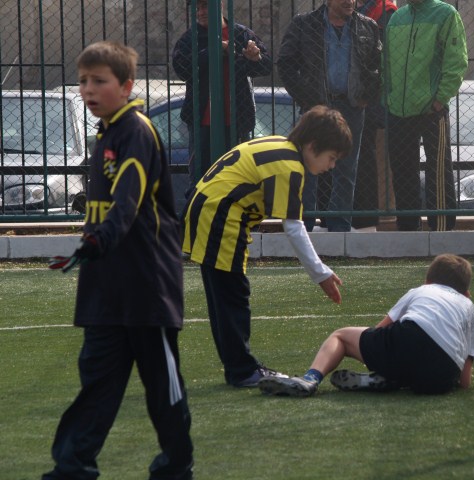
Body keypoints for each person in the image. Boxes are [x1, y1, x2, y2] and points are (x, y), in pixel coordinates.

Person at [43, 41, 193, 480]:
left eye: (99, 81)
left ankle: (176, 465)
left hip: (147, 285)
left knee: (162, 388)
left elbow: (128, 202)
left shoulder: (136, 132)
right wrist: (94, 245)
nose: (88, 89)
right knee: (97, 384)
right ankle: (72, 467)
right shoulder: (105, 134)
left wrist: (98, 240)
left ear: (126, 86)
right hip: (105, 284)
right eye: (83, 81)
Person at [182, 105, 351, 388]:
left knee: (222, 295)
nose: (331, 166)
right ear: (313, 146)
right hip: (220, 215)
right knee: (232, 295)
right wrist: (320, 273)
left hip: (205, 208)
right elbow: (293, 227)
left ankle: (238, 366)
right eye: (331, 158)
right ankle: (242, 370)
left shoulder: (279, 145)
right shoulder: (290, 166)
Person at [258, 253, 474, 397]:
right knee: (417, 368)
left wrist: (375, 357)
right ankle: (391, 379)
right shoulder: (469, 307)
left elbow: (380, 330)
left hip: (408, 339)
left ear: (428, 281)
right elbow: (465, 381)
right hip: (441, 376)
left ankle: (310, 379)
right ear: (466, 293)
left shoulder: (421, 291)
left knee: (341, 336)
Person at [277, 0, 382, 232]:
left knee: (347, 170)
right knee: (307, 166)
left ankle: (340, 226)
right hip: (316, 106)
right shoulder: (305, 24)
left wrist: (366, 95)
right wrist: (306, 97)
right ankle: (304, 225)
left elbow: (377, 65)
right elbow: (285, 63)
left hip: (352, 106)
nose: (350, 1)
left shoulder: (367, 26)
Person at [384, 0, 468, 231]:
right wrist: (388, 96)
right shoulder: (397, 17)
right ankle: (408, 227)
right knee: (402, 170)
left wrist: (440, 99)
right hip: (398, 109)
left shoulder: (446, 14)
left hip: (432, 110)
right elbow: (386, 62)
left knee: (438, 169)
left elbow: (456, 61)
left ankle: (441, 227)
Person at [172, 0, 272, 191]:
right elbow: (181, 68)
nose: (200, 12)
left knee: (238, 179)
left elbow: (266, 65)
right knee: (201, 180)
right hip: (202, 122)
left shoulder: (241, 34)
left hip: (237, 120)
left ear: (221, 5)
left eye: (205, 6)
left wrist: (255, 57)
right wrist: (214, 50)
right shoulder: (190, 38)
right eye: (197, 8)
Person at [351, 0, 397, 230]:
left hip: (373, 98)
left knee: (368, 158)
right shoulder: (356, 11)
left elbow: (382, 59)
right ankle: (356, 215)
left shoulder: (385, 12)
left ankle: (367, 217)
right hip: (355, 94)